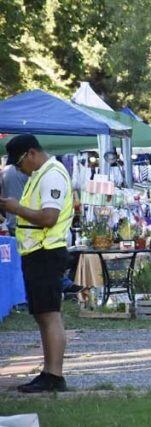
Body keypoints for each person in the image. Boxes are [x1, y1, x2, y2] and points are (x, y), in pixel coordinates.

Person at [0, 135, 73, 392]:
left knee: (50, 314)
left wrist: (16, 208)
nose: (18, 168)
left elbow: (49, 217)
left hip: (46, 252)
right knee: (42, 314)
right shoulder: (38, 174)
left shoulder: (52, 175)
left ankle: (54, 375)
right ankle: (49, 371)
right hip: (37, 253)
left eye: (19, 162)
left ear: (32, 153)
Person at [0, 162, 29, 236]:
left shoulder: (4, 171)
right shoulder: (28, 169)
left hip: (12, 222)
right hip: (28, 223)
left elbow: (2, 198)